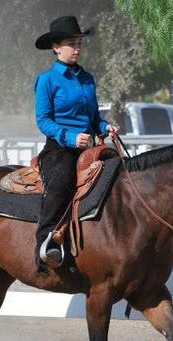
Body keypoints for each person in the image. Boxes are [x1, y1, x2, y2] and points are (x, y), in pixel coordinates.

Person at [34, 15, 118, 269]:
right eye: (72, 43)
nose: (77, 48)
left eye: (79, 43)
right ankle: (46, 243)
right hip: (60, 149)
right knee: (62, 183)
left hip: (91, 146)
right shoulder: (47, 80)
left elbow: (93, 118)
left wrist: (105, 127)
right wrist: (71, 137)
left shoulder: (87, 78)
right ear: (56, 47)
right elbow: (43, 120)